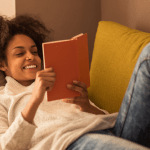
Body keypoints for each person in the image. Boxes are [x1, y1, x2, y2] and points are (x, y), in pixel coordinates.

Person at [0, 14, 149, 150]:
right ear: (2, 64)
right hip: (72, 141)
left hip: (115, 129)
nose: (31, 57)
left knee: (147, 53)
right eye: (20, 53)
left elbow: (104, 118)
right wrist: (35, 99)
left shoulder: (60, 81)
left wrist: (86, 105)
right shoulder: (3, 99)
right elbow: (6, 147)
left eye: (34, 51)